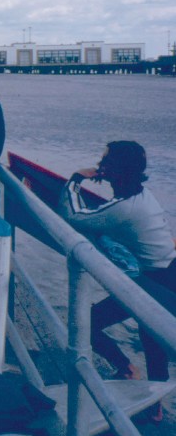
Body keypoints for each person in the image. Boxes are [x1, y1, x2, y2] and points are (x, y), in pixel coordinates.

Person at [59, 141, 176, 399]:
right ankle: (144, 390)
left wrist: (76, 179)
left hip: (155, 280)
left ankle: (129, 371)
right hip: (164, 272)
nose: (100, 165)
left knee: (90, 324)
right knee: (153, 342)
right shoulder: (142, 195)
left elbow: (76, 216)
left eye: (106, 161)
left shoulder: (124, 208)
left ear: (119, 169)